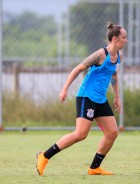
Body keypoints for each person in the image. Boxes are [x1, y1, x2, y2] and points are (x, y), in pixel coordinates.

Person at [36, 22, 127, 176]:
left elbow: (114, 75)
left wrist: (117, 97)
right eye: (124, 37)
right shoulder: (100, 54)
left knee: (112, 133)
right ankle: (44, 156)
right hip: (86, 97)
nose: (126, 40)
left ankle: (94, 168)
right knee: (80, 134)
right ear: (114, 39)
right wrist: (65, 88)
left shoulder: (119, 57)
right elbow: (78, 69)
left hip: (100, 99)